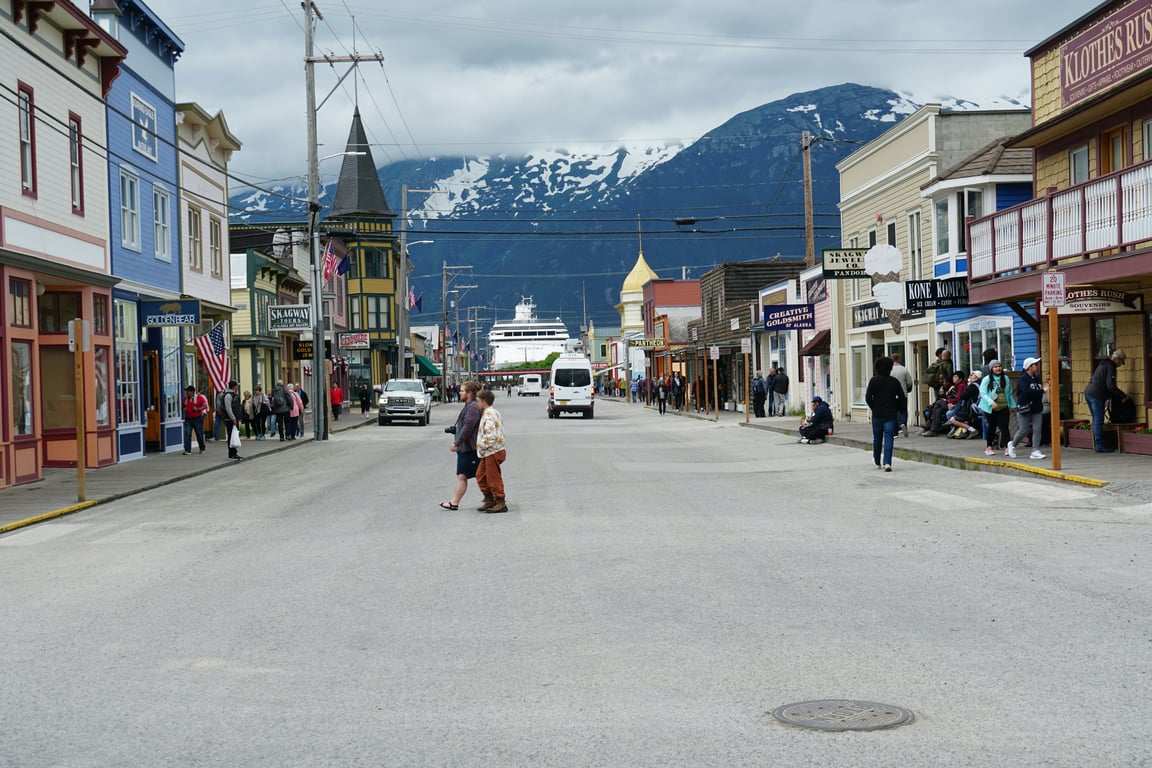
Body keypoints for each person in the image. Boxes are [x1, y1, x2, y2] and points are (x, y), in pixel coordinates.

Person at [439, 381, 482, 510]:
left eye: (462, 391)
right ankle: (455, 502)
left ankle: (494, 498)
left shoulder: (473, 407)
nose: (460, 392)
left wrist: (456, 442)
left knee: (476, 476)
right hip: (466, 448)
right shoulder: (469, 406)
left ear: (469, 393)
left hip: (470, 448)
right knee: (464, 475)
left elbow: (468, 427)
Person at [1084, 349, 1130, 453]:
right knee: (1098, 421)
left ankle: (1097, 444)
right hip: (1097, 395)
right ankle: (1100, 446)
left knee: (1096, 420)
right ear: (1117, 359)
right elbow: (1111, 385)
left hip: (1088, 392)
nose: (1120, 365)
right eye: (1121, 362)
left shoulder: (1103, 364)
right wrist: (1122, 396)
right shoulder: (1111, 366)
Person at [866, 356, 906, 472]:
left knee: (877, 438)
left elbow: (868, 397)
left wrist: (874, 407)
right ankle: (887, 462)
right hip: (891, 414)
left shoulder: (874, 381)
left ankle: (877, 461)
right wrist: (897, 407)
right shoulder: (894, 382)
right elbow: (902, 398)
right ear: (890, 368)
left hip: (877, 413)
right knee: (889, 437)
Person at [1007, 357, 1048, 460]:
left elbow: (1037, 392)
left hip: (1037, 408)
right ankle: (1012, 445)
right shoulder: (1023, 379)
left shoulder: (1036, 378)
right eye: (1035, 365)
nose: (1037, 366)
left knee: (1038, 429)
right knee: (1023, 430)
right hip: (1025, 407)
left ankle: (1035, 450)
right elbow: (1026, 392)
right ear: (1029, 367)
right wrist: (1042, 390)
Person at [474, 390, 508, 513]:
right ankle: (490, 498)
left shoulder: (488, 414)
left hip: (491, 450)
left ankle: (499, 500)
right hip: (493, 450)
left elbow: (490, 435)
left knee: (492, 477)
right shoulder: (494, 412)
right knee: (481, 475)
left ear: (484, 401)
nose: (476, 403)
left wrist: (481, 445)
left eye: (478, 401)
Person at [978, 359, 1016, 457]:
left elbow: (1009, 393)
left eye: (999, 366)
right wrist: (991, 402)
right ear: (991, 369)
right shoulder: (987, 379)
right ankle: (989, 447)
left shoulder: (1006, 378)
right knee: (992, 427)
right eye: (995, 367)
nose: (998, 368)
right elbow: (983, 393)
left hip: (1003, 406)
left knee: (1004, 427)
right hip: (990, 408)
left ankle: (1008, 447)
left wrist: (1012, 406)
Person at [945, 371, 982, 439]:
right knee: (964, 420)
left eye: (972, 375)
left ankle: (972, 430)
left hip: (971, 410)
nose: (969, 376)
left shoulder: (972, 386)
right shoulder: (980, 385)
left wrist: (968, 385)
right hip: (975, 408)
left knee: (953, 419)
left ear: (976, 378)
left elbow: (962, 396)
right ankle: (963, 432)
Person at [219, 380, 243, 461]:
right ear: (234, 386)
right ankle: (231, 453)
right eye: (237, 386)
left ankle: (234, 452)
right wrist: (233, 418)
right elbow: (228, 408)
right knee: (231, 436)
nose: (238, 387)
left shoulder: (233, 395)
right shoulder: (228, 396)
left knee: (234, 435)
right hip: (229, 419)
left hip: (234, 418)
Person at [890, 353, 913, 437]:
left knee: (894, 412)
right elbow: (909, 382)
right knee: (903, 411)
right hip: (903, 394)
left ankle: (896, 430)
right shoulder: (904, 369)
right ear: (898, 359)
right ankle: (903, 424)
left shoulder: (889, 370)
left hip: (892, 395)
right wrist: (908, 389)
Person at [182, 385, 209, 455]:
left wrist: (198, 409)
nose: (187, 393)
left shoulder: (199, 398)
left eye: (188, 391)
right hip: (188, 418)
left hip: (197, 418)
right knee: (187, 434)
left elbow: (205, 405)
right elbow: (183, 407)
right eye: (186, 391)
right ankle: (187, 450)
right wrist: (184, 409)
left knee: (199, 433)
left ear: (192, 392)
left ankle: (202, 448)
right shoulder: (185, 399)